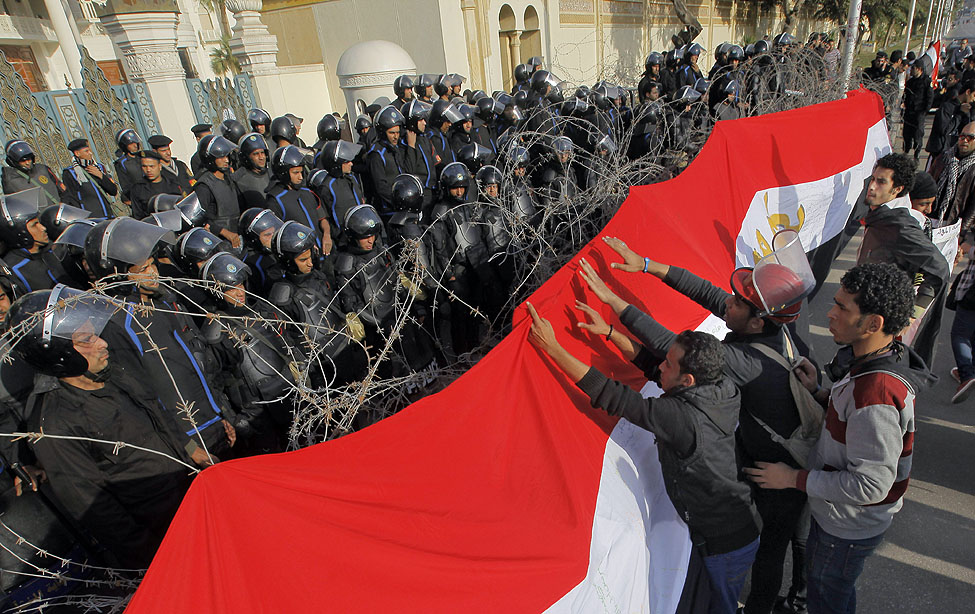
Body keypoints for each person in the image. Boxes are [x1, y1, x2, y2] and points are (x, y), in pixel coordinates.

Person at [580, 235, 816, 614]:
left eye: (739, 301)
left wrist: (615, 304)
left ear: (757, 319)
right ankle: (802, 597)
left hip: (779, 478)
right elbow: (709, 294)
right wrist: (646, 264)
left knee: (770, 555)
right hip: (794, 461)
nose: (728, 302)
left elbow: (674, 347)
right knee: (794, 541)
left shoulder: (745, 361)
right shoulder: (779, 331)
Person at [526, 304, 760, 614]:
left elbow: (618, 399)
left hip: (725, 544)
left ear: (688, 380)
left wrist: (553, 349)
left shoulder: (681, 418)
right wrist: (611, 333)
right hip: (741, 527)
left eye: (669, 363)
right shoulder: (722, 387)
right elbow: (653, 367)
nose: (661, 366)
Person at [746, 263, 934, 614]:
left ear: (873, 324)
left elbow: (871, 485)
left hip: (846, 528)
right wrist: (819, 392)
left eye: (842, 308)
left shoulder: (875, 392)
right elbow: (853, 423)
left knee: (827, 596)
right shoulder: (873, 362)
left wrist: (792, 479)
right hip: (840, 520)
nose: (829, 314)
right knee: (831, 590)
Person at [8, 285, 199, 568]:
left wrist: (192, 450)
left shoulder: (110, 373)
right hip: (163, 532)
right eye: (86, 340)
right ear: (57, 353)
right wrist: (157, 558)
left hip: (190, 494)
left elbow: (155, 411)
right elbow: (94, 506)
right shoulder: (54, 423)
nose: (102, 343)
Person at [857, 154, 949, 367]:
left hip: (883, 320)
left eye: (881, 182)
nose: (872, 186)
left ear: (897, 189)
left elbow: (939, 267)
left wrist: (911, 315)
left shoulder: (899, 223)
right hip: (866, 310)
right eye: (872, 179)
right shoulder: (880, 215)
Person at [265, 145, 332, 255]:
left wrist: (327, 235)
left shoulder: (307, 192)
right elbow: (277, 236)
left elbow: (322, 219)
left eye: (301, 172)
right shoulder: (276, 200)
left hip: (324, 253)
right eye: (296, 173)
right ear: (284, 173)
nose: (300, 177)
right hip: (302, 259)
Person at [0, 187, 65, 291]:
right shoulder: (12, 271)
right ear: (20, 232)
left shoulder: (53, 251)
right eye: (35, 225)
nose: (43, 228)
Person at [193, 135, 241, 248]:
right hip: (219, 241)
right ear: (209, 158)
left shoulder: (228, 178)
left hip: (237, 236)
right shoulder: (204, 185)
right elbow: (201, 218)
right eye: (221, 157)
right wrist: (225, 233)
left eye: (226, 156)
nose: (226, 160)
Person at [61, 138, 119, 217]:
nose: (90, 153)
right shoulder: (70, 173)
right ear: (77, 153)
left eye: (89, 150)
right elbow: (71, 198)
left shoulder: (99, 167)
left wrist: (101, 176)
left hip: (108, 215)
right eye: (86, 151)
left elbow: (113, 191)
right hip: (90, 219)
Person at [2, 140, 70, 207]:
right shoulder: (10, 180)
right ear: (14, 161)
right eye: (23, 161)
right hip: (39, 217)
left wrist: (63, 204)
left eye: (29, 159)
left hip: (60, 212)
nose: (27, 163)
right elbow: (14, 205)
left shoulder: (43, 169)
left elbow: (61, 188)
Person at [128, 150, 187, 220]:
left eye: (151, 166)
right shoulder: (138, 189)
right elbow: (138, 216)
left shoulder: (172, 183)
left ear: (160, 166)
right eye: (144, 166)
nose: (148, 170)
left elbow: (183, 206)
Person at [925, 79, 975, 159]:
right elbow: (944, 130)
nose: (973, 99)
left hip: (956, 153)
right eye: (974, 95)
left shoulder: (967, 109)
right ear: (968, 92)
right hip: (940, 152)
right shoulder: (947, 107)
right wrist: (959, 114)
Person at [902, 61, 934, 160]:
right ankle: (906, 151)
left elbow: (930, 97)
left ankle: (917, 154)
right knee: (907, 133)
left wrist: (925, 110)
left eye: (913, 69)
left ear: (919, 69)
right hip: (909, 111)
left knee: (917, 134)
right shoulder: (910, 82)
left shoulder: (926, 81)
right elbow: (906, 95)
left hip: (919, 112)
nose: (911, 71)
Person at [234, 132, 271, 210]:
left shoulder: (272, 173)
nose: (261, 157)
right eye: (256, 154)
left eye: (262, 153)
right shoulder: (238, 180)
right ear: (246, 157)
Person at [113, 128, 144, 201]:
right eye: (131, 144)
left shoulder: (143, 157)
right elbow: (126, 186)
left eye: (135, 143)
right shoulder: (122, 163)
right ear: (124, 145)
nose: (135, 145)